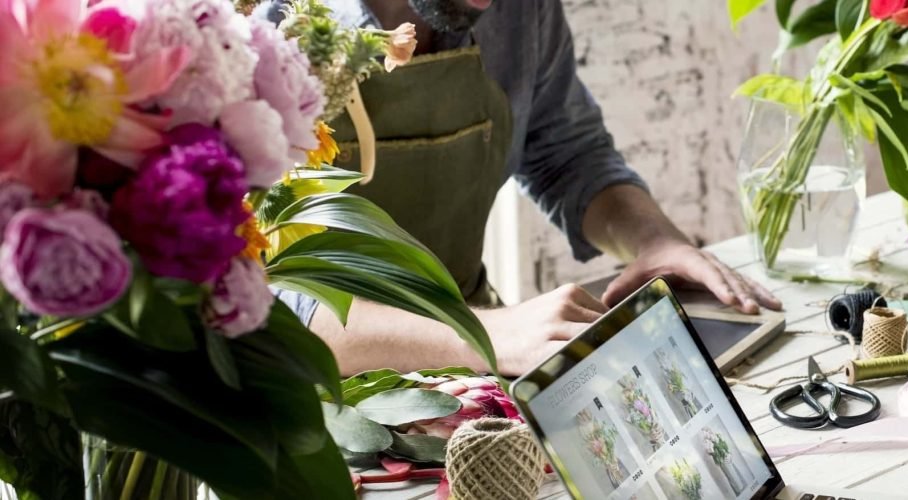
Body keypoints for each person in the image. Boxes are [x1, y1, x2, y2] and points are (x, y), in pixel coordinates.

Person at [268, 0, 782, 376]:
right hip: (314, 399)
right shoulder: (261, 28)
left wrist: (655, 240)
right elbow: (267, 304)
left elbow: (567, 154)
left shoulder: (519, 11)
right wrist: (490, 333)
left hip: (471, 379)